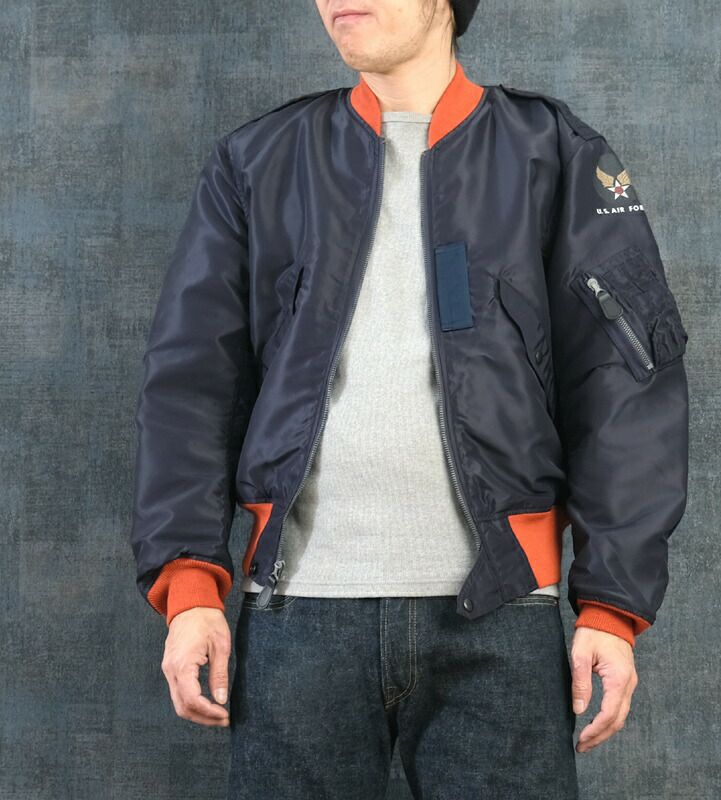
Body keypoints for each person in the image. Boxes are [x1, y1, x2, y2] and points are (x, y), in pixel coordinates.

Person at [130, 1, 690, 797]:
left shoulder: (555, 155)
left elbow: (624, 389)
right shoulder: (259, 161)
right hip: (295, 619)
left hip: (500, 615)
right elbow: (190, 386)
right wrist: (189, 586)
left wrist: (611, 607)